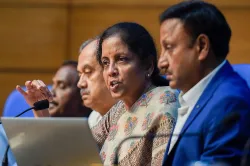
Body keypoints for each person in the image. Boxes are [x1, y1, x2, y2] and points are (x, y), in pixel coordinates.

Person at [158, 1, 250, 166]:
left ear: (202, 46)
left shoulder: (229, 102)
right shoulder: (183, 94)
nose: (161, 62)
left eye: (169, 47)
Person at [91, 22, 179, 165]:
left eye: (121, 59)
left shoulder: (166, 102)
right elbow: (80, 149)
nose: (111, 71)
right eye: (106, 62)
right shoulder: (119, 109)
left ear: (148, 65)